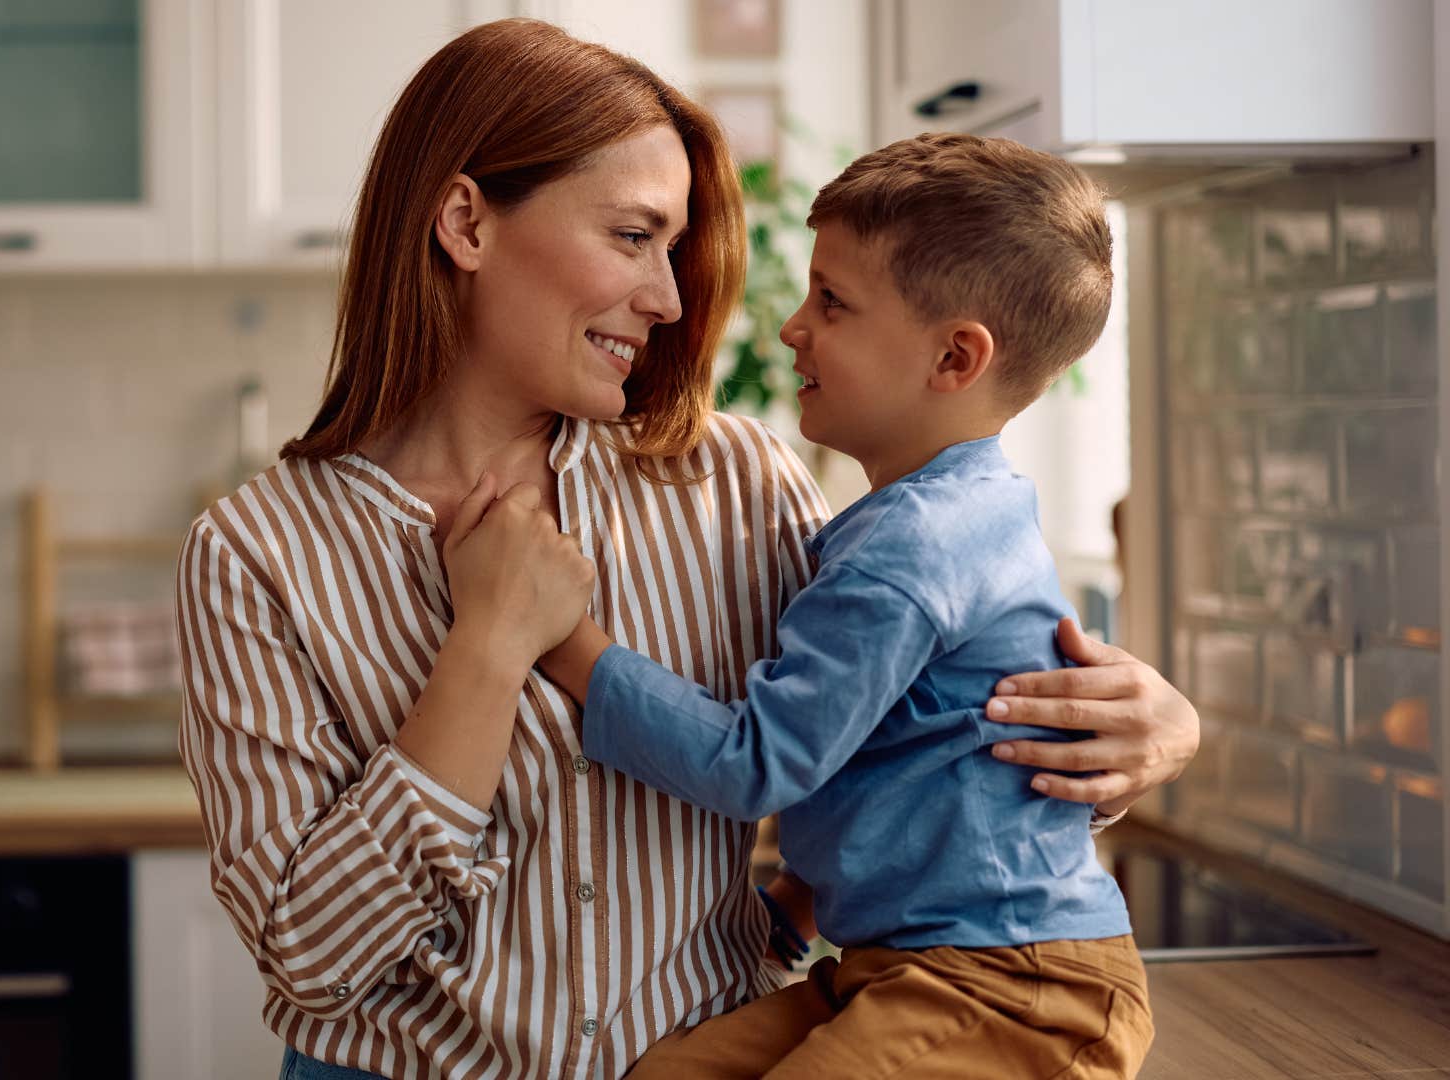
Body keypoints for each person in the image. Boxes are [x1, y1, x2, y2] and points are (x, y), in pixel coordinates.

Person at [174, 20, 1197, 1080]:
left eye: (673, 249)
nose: (668, 299)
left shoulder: (739, 486)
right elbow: (312, 960)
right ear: (467, 222)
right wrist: (486, 648)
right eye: (631, 237)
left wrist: (1140, 737)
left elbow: (910, 721)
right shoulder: (257, 554)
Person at [493, 133, 1153, 1077]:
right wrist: (797, 905)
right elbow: (911, 762)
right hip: (902, 964)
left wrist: (567, 642)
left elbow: (756, 762)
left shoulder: (915, 552)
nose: (793, 327)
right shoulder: (934, 520)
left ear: (955, 357)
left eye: (833, 303)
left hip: (1013, 985)